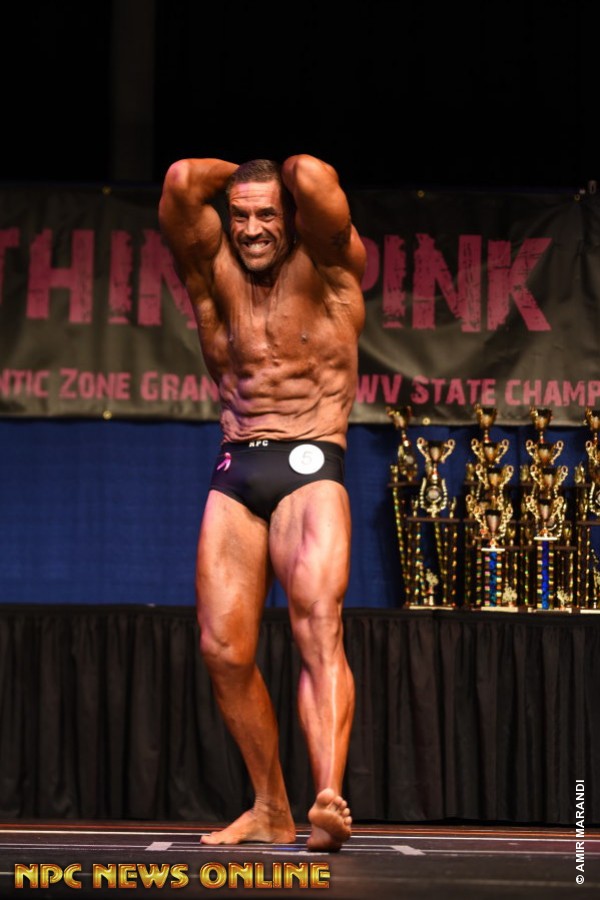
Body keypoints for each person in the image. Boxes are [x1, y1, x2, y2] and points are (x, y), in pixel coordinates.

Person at [158, 153, 366, 852]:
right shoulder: (212, 269)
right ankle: (271, 806)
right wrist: (242, 180)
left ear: (292, 217)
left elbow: (312, 176)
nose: (251, 229)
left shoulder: (329, 264)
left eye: (266, 214)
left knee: (318, 626)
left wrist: (282, 173)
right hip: (238, 463)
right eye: (240, 215)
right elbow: (181, 182)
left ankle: (327, 798)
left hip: (312, 461)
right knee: (222, 648)